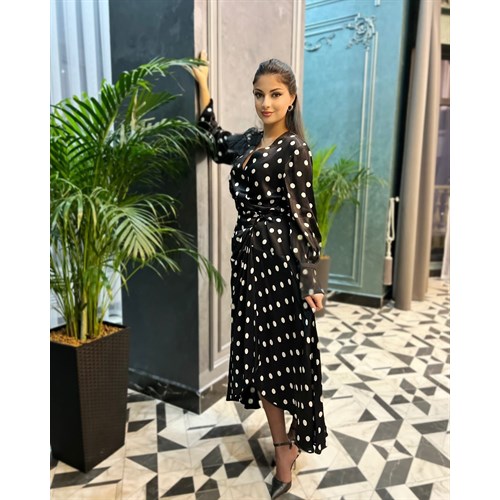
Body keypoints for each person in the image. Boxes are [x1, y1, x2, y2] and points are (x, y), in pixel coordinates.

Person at [192, 51, 327, 499]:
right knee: (261, 361)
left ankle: (288, 448)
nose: (265, 103)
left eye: (275, 94)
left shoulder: (294, 149)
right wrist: (203, 84)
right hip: (249, 267)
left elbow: (305, 218)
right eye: (259, 94)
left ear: (291, 99)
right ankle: (284, 445)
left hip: (281, 269)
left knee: (284, 361)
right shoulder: (251, 141)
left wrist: (311, 281)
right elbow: (214, 142)